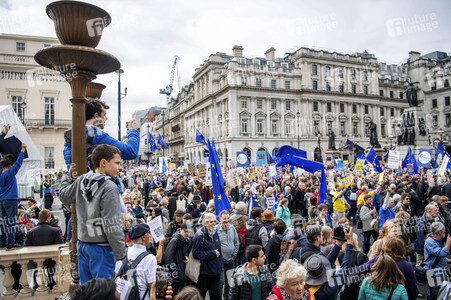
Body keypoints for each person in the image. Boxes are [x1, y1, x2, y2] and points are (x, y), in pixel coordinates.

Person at [59, 145, 125, 284]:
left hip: (83, 245)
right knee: (102, 293)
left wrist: (66, 176)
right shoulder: (109, 187)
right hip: (101, 248)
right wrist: (121, 255)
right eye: (117, 163)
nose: (120, 168)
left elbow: (64, 196)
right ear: (103, 163)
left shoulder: (82, 179)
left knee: (87, 291)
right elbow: (111, 224)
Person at [119, 223, 157, 300]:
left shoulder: (124, 252)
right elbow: (151, 286)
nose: (150, 235)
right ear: (144, 237)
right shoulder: (150, 258)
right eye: (148, 233)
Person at [0, 142, 26, 249]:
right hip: (11, 199)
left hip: (1, 200)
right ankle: (10, 243)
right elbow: (18, 164)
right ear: (11, 165)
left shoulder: (1, 173)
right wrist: (22, 151)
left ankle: (2, 242)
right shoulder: (10, 173)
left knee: (2, 221)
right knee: (11, 221)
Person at [192, 212, 223, 300]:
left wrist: (220, 266)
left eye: (215, 222)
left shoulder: (215, 232)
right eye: (211, 222)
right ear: (205, 223)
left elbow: (219, 251)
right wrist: (212, 253)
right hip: (204, 274)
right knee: (201, 296)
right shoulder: (199, 235)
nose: (214, 224)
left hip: (216, 272)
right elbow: (196, 254)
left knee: (217, 296)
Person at [216, 210, 240, 300]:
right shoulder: (216, 229)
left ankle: (227, 298)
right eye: (224, 219)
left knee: (229, 281)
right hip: (220, 260)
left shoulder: (232, 228)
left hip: (231, 259)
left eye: (227, 218)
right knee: (220, 281)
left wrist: (234, 254)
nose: (226, 220)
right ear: (220, 219)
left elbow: (236, 242)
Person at [424, 221, 451, 299]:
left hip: (438, 272)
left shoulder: (437, 241)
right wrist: (448, 244)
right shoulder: (430, 242)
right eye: (443, 229)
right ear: (439, 231)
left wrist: (445, 261)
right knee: (434, 295)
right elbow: (441, 253)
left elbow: (436, 256)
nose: (445, 231)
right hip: (433, 273)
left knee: (436, 292)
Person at [165, 222, 192, 296]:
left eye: (189, 232)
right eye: (185, 231)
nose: (187, 234)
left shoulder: (185, 241)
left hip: (181, 274)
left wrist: (185, 256)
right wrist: (176, 274)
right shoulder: (175, 241)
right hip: (176, 278)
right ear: (180, 230)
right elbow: (168, 259)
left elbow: (182, 253)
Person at [265, 219, 286, 285]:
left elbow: (268, 255)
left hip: (274, 268)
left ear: (275, 230)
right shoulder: (287, 239)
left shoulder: (272, 241)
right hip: (284, 267)